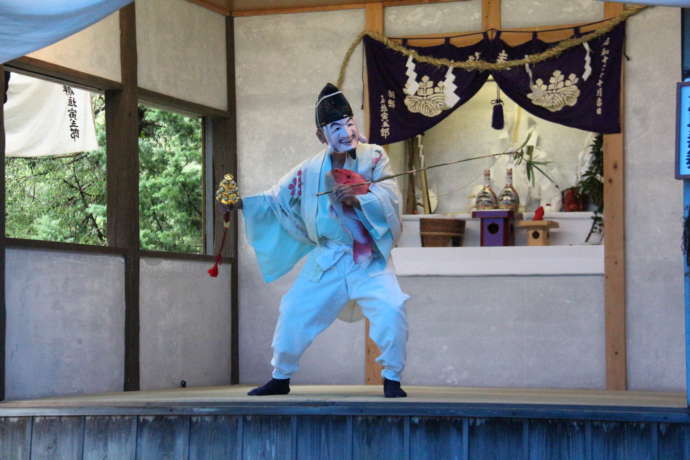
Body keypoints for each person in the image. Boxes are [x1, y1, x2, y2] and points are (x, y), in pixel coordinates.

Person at [226, 83, 409, 398]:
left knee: (392, 308)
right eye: (336, 127)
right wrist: (239, 204)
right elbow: (275, 199)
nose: (346, 132)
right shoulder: (308, 170)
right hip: (329, 256)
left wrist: (359, 198)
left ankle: (391, 378)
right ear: (321, 135)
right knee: (294, 309)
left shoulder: (374, 157)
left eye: (349, 124)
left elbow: (390, 196)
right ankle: (281, 377)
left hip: (368, 257)